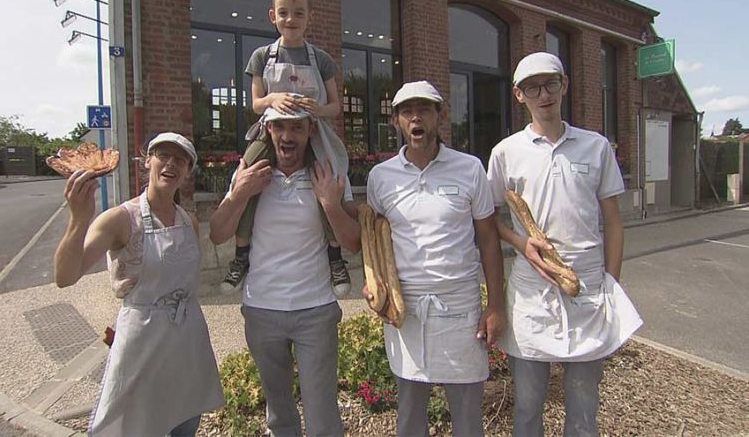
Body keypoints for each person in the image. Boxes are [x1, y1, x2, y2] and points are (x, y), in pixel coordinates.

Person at [487, 52, 643, 437]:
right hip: (531, 292)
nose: (544, 95)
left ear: (565, 85)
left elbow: (613, 221)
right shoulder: (505, 153)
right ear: (518, 95)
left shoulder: (595, 147)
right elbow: (488, 219)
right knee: (526, 406)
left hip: (587, 288)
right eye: (532, 87)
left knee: (584, 408)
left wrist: (611, 283)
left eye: (551, 84)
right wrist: (520, 243)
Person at [54, 132, 224, 436]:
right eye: (163, 155)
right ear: (148, 161)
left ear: (188, 170)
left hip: (187, 341)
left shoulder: (189, 221)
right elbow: (65, 277)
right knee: (138, 426)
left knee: (184, 421)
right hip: (142, 341)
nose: (171, 164)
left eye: (181, 159)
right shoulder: (120, 220)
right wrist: (79, 219)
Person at [365, 80, 506, 436]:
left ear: (439, 116)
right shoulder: (381, 178)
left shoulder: (470, 168)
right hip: (405, 309)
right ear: (397, 120)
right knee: (410, 413)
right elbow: (374, 242)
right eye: (408, 112)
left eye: (425, 109)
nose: (417, 118)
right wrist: (374, 286)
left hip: (460, 307)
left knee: (467, 415)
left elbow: (488, 240)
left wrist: (495, 305)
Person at [209, 107, 361, 436]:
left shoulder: (328, 173)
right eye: (279, 126)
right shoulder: (250, 173)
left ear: (310, 132)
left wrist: (331, 206)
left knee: (322, 414)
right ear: (267, 130)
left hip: (316, 310)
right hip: (262, 311)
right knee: (279, 413)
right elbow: (218, 233)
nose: (287, 136)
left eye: (296, 128)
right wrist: (240, 194)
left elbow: (353, 242)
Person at [221, 0, 351, 299]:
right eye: (284, 13)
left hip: (312, 129)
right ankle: (241, 255)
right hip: (273, 128)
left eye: (298, 13)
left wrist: (317, 108)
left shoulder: (321, 59)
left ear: (310, 18)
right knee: (247, 176)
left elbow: (335, 106)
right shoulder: (261, 57)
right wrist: (273, 100)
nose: (290, 20)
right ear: (272, 16)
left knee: (328, 180)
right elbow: (255, 103)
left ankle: (335, 256)